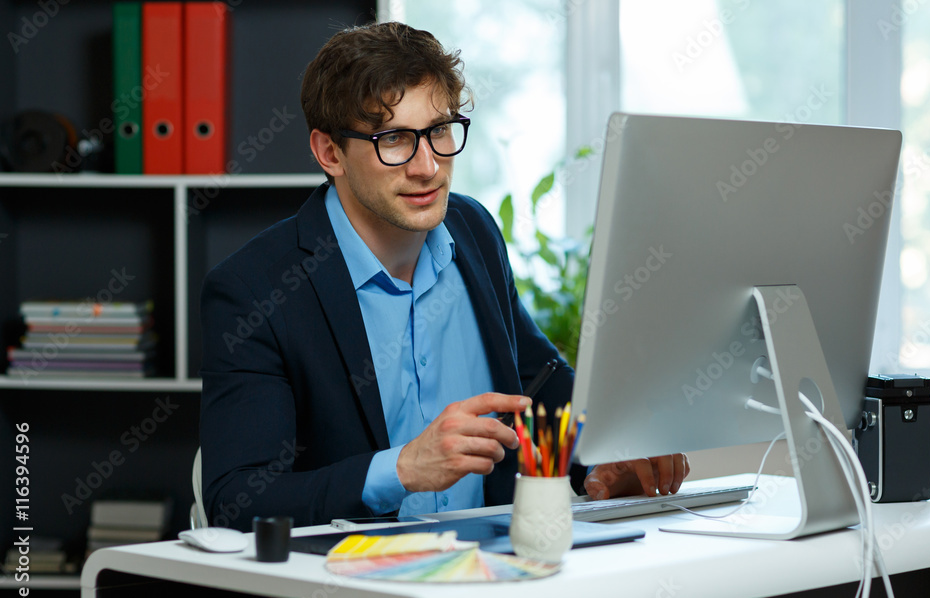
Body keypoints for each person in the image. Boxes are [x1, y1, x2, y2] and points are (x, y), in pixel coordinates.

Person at [198, 21, 689, 530]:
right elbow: (237, 500)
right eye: (394, 139)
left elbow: (536, 381)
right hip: (354, 589)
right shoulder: (255, 289)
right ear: (329, 153)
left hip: (500, 568)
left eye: (437, 131)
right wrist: (403, 468)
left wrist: (609, 454)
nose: (428, 167)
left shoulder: (471, 227)